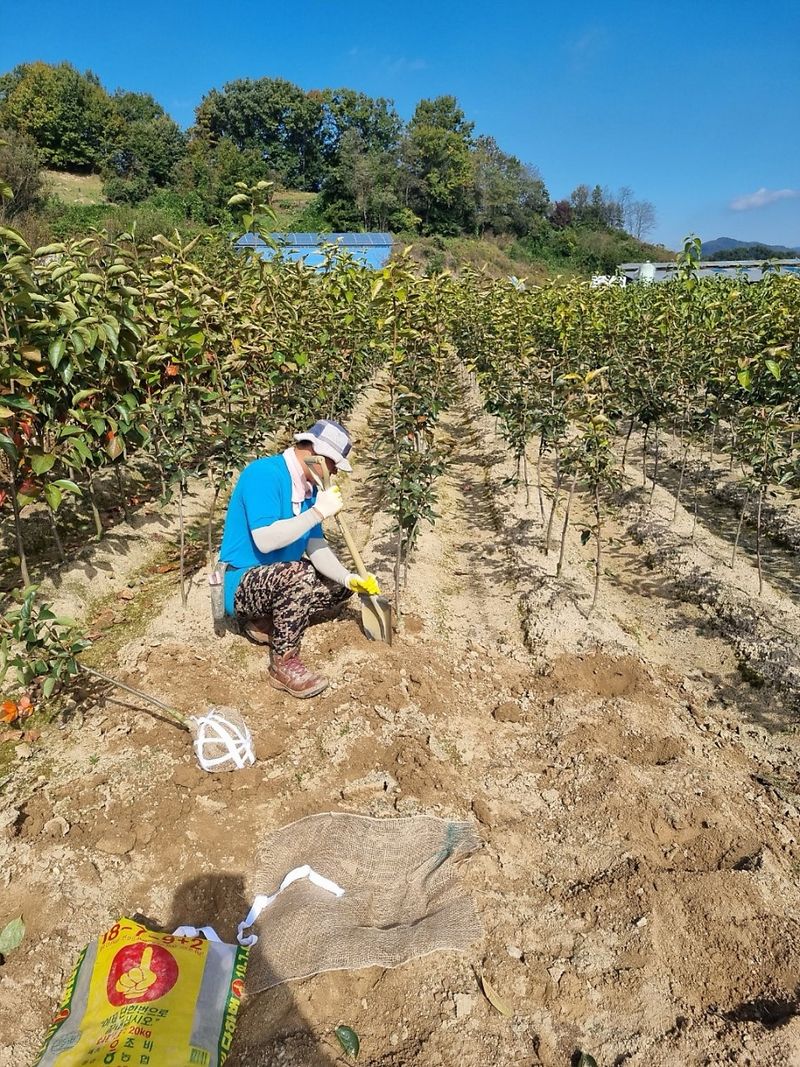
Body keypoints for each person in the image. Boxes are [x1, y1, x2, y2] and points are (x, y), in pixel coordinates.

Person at [218, 419, 381, 698]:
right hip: (241, 582)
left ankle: (263, 623)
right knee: (298, 575)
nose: (332, 472)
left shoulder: (309, 490)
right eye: (331, 464)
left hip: (277, 580)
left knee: (336, 584)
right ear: (315, 453)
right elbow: (265, 540)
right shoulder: (264, 474)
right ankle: (284, 663)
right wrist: (317, 513)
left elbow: (316, 546)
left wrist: (349, 578)